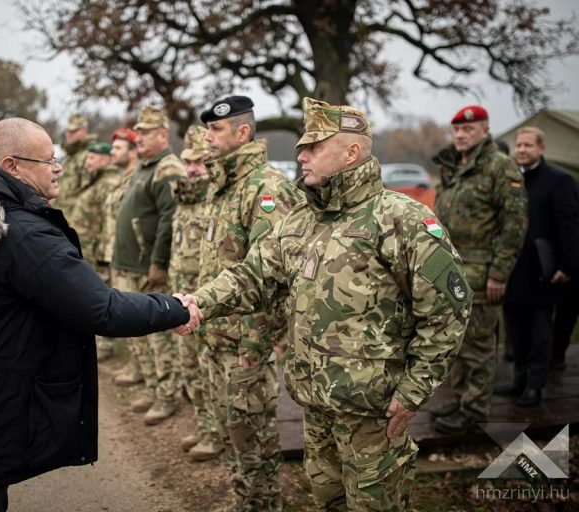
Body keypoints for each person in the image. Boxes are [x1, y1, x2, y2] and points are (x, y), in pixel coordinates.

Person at [176, 97, 471, 511]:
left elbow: (448, 311)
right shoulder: (300, 221)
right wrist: (197, 303)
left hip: (374, 415)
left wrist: (414, 390)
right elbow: (253, 275)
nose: (301, 154)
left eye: (314, 146)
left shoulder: (401, 220)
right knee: (325, 501)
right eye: (302, 146)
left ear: (351, 152)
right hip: (316, 408)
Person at [0, 117, 199, 512]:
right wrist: (174, 307)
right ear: (12, 166)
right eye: (48, 161)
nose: (58, 168)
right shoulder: (19, 232)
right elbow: (102, 308)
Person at [195, 95, 302, 511]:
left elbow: (274, 276)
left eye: (216, 129)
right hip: (217, 337)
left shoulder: (267, 188)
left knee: (255, 437)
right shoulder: (223, 185)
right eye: (207, 129)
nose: (208, 136)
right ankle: (245, 502)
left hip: (244, 345)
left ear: (243, 132)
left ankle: (264, 505)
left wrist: (255, 344)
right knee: (234, 435)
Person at [431, 105, 528, 434]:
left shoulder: (500, 167)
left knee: (479, 344)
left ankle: (473, 411)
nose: (460, 135)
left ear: (485, 131)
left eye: (468, 130)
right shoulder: (453, 167)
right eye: (456, 130)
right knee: (455, 341)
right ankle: (461, 399)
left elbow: (514, 224)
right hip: (450, 268)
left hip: (481, 270)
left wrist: (499, 273)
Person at [111, 106, 186, 425]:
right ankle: (154, 387)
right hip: (129, 265)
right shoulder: (145, 166)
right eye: (137, 132)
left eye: (145, 133)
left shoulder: (168, 168)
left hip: (148, 269)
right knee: (139, 334)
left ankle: (168, 395)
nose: (138, 138)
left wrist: (158, 263)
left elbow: (171, 219)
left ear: (162, 135)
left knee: (159, 336)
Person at [494, 127, 579, 406]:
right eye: (518, 145)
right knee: (516, 329)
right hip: (513, 268)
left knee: (540, 331)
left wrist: (568, 264)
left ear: (541, 148)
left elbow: (569, 225)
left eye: (528, 145)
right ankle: (518, 379)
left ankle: (535, 385)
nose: (521, 150)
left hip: (543, 270)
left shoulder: (559, 180)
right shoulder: (509, 180)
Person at [169, 124, 224, 460]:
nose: (191, 168)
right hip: (183, 295)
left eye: (199, 162)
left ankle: (216, 434)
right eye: (187, 161)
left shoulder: (216, 198)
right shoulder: (186, 198)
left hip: (209, 300)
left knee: (208, 371)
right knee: (190, 367)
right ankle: (205, 427)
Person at [69, 142, 121, 362]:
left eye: (93, 158)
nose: (88, 162)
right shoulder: (95, 181)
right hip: (88, 249)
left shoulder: (107, 184)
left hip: (98, 252)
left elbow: (109, 221)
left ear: (106, 159)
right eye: (88, 157)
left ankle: (106, 345)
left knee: (100, 295)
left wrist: (103, 252)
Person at [105, 128, 144, 384]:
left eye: (118, 148)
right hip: (115, 255)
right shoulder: (122, 179)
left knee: (137, 315)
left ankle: (142, 371)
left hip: (133, 261)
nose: (112, 152)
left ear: (133, 152)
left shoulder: (136, 180)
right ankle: (134, 365)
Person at [54, 113, 96, 215]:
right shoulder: (71, 155)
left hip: (76, 218)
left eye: (73, 131)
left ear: (84, 131)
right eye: (67, 131)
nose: (69, 134)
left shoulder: (89, 155)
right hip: (63, 214)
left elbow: (89, 194)